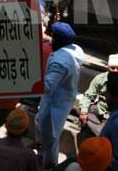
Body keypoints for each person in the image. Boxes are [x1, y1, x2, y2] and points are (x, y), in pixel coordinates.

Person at [37, 22, 85, 168]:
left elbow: (47, 87)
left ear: (57, 40)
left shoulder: (59, 60)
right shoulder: (76, 49)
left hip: (53, 107)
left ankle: (49, 166)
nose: (51, 41)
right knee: (52, 138)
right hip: (64, 101)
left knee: (48, 140)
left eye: (53, 38)